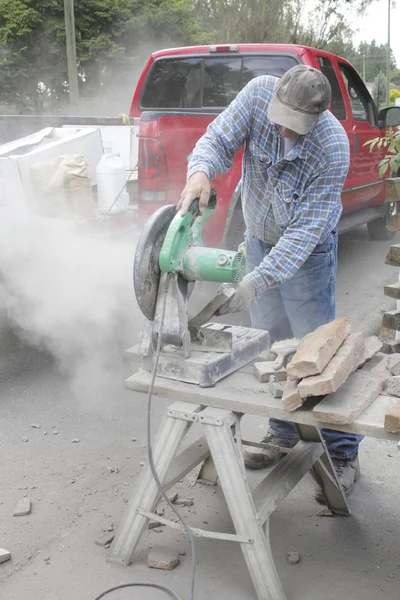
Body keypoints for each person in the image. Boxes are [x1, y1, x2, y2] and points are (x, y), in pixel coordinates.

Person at [178, 64, 363, 501]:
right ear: (275, 98)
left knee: (316, 354)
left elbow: (302, 236)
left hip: (309, 253)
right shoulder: (258, 94)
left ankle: (342, 453)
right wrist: (200, 171)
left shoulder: (332, 147)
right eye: (280, 122)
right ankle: (282, 432)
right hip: (260, 238)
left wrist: (254, 282)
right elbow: (219, 139)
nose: (284, 133)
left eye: (295, 128)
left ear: (317, 118)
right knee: (270, 342)